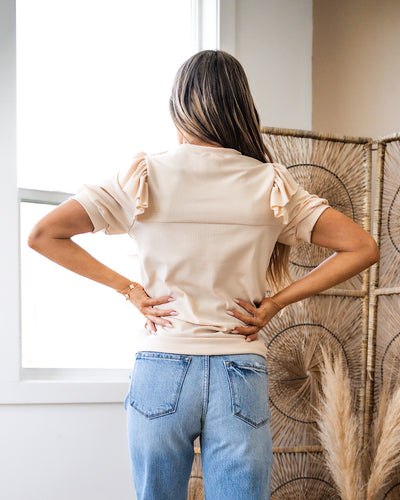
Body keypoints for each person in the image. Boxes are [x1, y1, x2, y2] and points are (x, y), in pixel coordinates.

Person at [27, 49, 380, 500]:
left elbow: (43, 234)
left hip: (161, 364)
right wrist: (275, 303)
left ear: (179, 105)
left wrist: (129, 289)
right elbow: (364, 247)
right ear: (240, 106)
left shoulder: (143, 176)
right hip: (240, 365)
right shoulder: (270, 182)